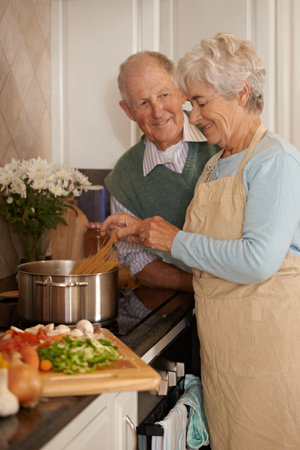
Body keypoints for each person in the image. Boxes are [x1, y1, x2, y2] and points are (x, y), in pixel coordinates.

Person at [101, 33, 300, 449]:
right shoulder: (214, 164)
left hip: (269, 350)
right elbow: (206, 255)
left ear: (241, 92)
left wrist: (173, 240)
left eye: (201, 103)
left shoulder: (274, 159)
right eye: (192, 104)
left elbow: (259, 260)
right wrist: (142, 231)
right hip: (225, 350)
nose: (192, 116)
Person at [104, 51, 219, 292]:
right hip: (183, 299)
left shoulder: (221, 138)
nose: (158, 111)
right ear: (128, 111)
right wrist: (206, 289)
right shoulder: (123, 179)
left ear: (181, 92)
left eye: (164, 95)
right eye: (143, 102)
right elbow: (139, 261)